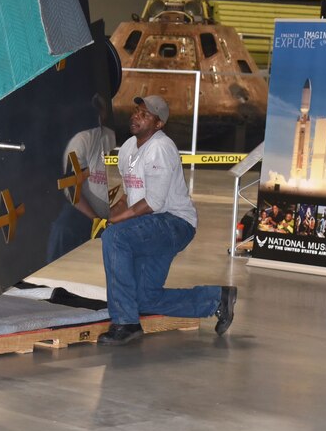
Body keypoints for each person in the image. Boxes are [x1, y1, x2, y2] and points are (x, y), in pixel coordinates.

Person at [96, 95, 236, 346]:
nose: (136, 116)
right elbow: (130, 195)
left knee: (114, 238)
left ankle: (125, 322)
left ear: (159, 124)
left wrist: (113, 223)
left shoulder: (161, 148)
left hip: (173, 223)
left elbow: (153, 203)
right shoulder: (128, 148)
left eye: (145, 115)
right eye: (137, 111)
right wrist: (103, 216)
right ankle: (216, 298)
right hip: (149, 225)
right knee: (144, 298)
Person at [46, 95, 117, 263]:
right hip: (86, 214)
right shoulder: (82, 141)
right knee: (62, 228)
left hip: (120, 215)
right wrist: (96, 220)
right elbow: (71, 189)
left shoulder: (123, 142)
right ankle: (51, 281)